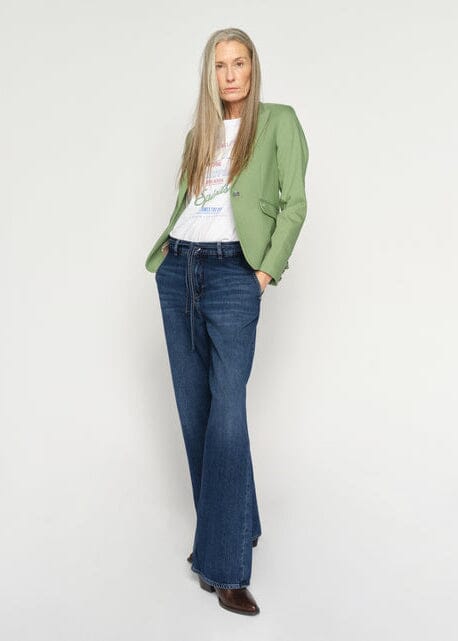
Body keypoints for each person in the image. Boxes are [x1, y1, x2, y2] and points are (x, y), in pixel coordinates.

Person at [145, 27, 309, 616]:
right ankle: (240, 525)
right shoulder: (201, 134)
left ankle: (225, 566)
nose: (231, 74)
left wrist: (262, 272)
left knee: (228, 415)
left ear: (253, 68)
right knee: (195, 412)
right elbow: (194, 201)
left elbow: (294, 204)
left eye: (239, 63)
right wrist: (170, 257)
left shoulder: (279, 122)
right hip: (180, 267)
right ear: (210, 75)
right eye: (221, 66)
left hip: (234, 273)